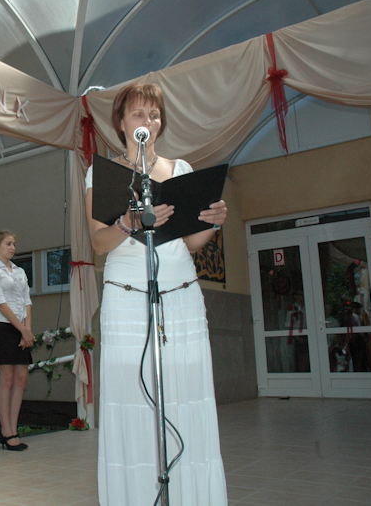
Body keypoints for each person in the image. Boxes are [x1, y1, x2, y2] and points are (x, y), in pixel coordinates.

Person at [85, 83, 228, 505]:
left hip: (180, 294)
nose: (147, 121)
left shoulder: (180, 169)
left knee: (185, 395)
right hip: (127, 298)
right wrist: (128, 223)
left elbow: (192, 242)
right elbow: (98, 244)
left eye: (154, 114)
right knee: (132, 396)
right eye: (138, 114)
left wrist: (212, 221)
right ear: (121, 124)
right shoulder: (102, 173)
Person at [0, 230, 33, 451]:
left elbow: (27, 300)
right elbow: (1, 302)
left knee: (21, 378)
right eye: (8, 244)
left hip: (21, 328)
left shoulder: (20, 271)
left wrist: (27, 329)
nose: (12, 247)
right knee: (7, 378)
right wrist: (21, 329)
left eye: (14, 244)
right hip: (3, 327)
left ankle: (14, 428)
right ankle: (6, 431)